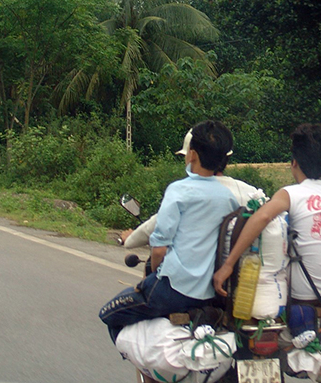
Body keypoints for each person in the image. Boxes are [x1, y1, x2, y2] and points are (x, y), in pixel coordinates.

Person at [213, 123, 321, 383]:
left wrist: (228, 265)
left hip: (301, 299)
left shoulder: (291, 194)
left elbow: (262, 217)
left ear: (294, 163)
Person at [99, 121, 239, 341]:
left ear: (191, 154)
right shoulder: (229, 198)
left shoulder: (178, 190)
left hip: (173, 289)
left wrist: (154, 278)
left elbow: (158, 250)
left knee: (109, 314)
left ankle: (148, 370)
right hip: (208, 295)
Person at [119, 128, 257, 249]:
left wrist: (130, 239)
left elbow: (153, 229)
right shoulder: (251, 193)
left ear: (192, 156)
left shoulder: (184, 191)